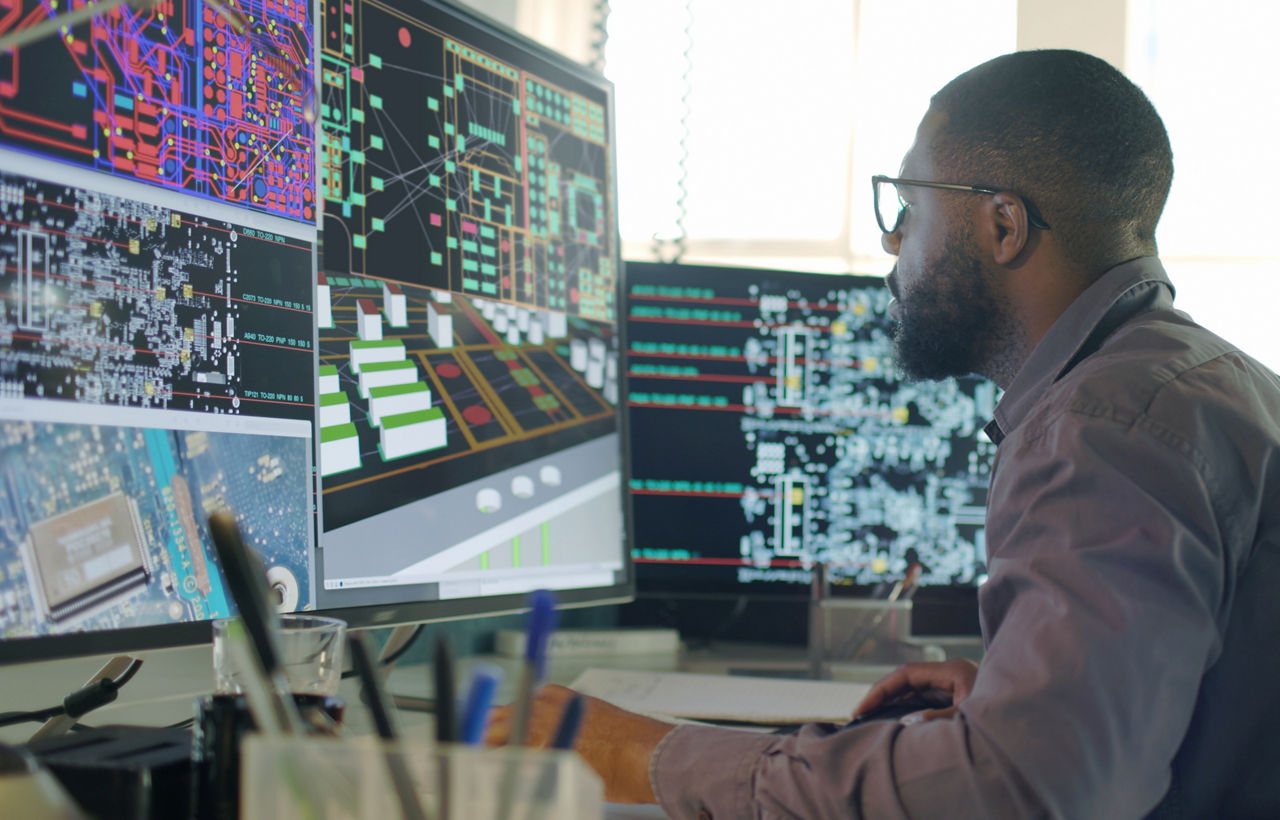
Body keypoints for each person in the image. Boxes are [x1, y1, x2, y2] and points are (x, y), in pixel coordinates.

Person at [487, 49, 1280, 818]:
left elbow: (1021, 795)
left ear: (1002, 226)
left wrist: (644, 756)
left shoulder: (1103, 428)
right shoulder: (1195, 379)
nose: (893, 243)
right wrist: (1029, 695)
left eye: (908, 209)